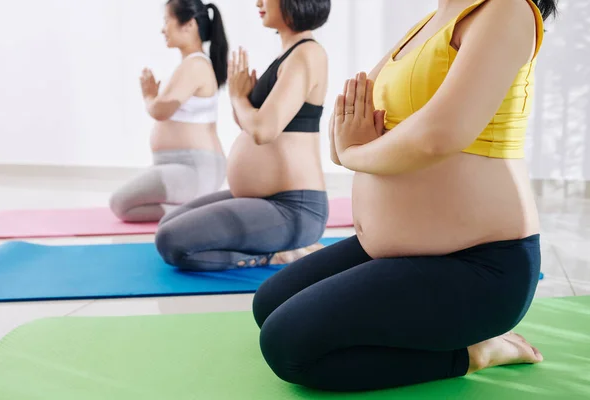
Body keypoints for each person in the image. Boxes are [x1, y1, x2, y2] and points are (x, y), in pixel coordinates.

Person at [252, 0, 558, 392]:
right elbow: (348, 119)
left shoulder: (507, 9)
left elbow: (439, 136)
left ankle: (476, 352)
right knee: (269, 304)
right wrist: (348, 148)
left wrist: (354, 153)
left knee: (287, 346)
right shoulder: (430, 22)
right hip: (398, 252)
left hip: (480, 268)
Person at [155, 0, 332, 271]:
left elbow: (263, 130)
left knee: (172, 241)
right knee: (168, 225)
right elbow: (250, 125)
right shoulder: (289, 54)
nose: (258, 2)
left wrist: (239, 98)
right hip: (263, 201)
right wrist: (243, 98)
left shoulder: (308, 54)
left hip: (294, 208)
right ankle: (274, 245)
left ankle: (277, 255)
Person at [109, 0, 229, 222]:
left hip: (194, 169)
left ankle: (199, 210)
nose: (163, 29)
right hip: (182, 167)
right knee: (122, 206)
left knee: (119, 203)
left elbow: (160, 111)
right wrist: (153, 97)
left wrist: (148, 95)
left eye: (167, 21)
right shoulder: (190, 65)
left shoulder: (196, 65)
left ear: (189, 24)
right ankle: (197, 208)